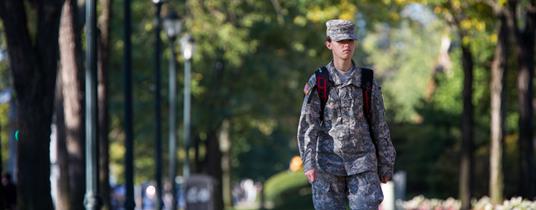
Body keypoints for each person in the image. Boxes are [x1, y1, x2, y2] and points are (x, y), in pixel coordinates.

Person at [297, 19, 396, 210]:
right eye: (340, 41)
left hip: (363, 164)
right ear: (329, 44)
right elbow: (308, 125)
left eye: (350, 41)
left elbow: (379, 125)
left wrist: (386, 163)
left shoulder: (367, 80)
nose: (346, 45)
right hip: (327, 166)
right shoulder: (320, 80)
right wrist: (308, 163)